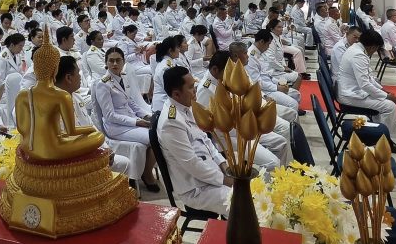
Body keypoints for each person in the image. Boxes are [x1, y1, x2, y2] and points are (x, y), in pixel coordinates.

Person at [157, 65, 232, 215]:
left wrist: (222, 164)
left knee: (249, 188)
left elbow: (205, 138)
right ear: (176, 94)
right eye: (191, 87)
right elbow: (192, 164)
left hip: (210, 174)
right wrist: (224, 180)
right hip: (196, 188)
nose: (195, 90)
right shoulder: (171, 122)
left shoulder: (186, 106)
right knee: (242, 202)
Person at [197, 52, 290, 168]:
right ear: (215, 70)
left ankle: (284, 174)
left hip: (243, 125)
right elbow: (208, 125)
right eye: (228, 71)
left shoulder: (225, 80)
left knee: (281, 142)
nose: (232, 74)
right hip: (228, 136)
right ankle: (265, 179)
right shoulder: (206, 89)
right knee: (272, 162)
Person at [92, 47, 160, 192]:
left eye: (118, 60)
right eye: (111, 61)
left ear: (123, 62)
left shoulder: (123, 78)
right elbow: (109, 115)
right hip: (116, 127)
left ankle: (145, 170)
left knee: (159, 131)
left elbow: (131, 103)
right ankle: (147, 174)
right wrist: (137, 122)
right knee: (155, 137)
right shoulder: (103, 84)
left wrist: (146, 116)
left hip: (130, 122)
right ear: (106, 63)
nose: (115, 64)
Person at [54, 55, 131, 177]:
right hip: (73, 159)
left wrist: (105, 149)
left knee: (125, 163)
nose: (80, 76)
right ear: (68, 78)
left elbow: (91, 127)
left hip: (90, 149)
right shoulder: (54, 106)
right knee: (123, 163)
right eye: (78, 73)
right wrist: (97, 154)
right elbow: (66, 142)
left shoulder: (77, 97)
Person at [337, 30, 396, 154]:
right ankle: (386, 143)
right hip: (350, 95)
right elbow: (364, 84)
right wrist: (386, 96)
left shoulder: (357, 49)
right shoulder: (358, 55)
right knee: (389, 106)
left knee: (384, 101)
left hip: (352, 91)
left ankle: (378, 135)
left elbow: (369, 78)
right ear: (373, 47)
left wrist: (383, 91)